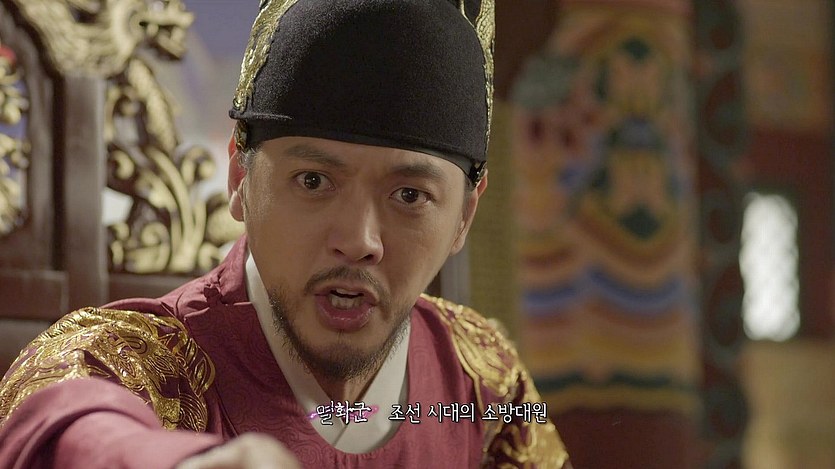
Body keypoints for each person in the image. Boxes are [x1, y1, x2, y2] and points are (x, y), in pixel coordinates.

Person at [0, 0, 571, 467]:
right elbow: (61, 422)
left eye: (409, 196)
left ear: (465, 216)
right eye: (314, 181)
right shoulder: (129, 363)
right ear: (239, 177)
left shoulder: (481, 382)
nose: (358, 240)